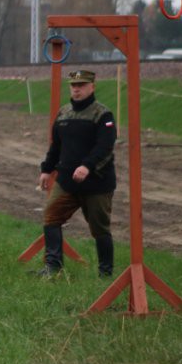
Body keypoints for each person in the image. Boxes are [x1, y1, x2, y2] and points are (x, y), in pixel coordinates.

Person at [37, 69, 117, 278]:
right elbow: (56, 147)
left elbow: (105, 146)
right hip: (66, 182)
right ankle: (53, 267)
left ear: (92, 86)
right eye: (74, 86)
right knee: (51, 217)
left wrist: (87, 166)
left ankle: (105, 273)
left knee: (99, 228)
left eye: (81, 85)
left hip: (97, 183)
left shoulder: (103, 114)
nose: (77, 89)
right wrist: (47, 169)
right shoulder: (63, 114)